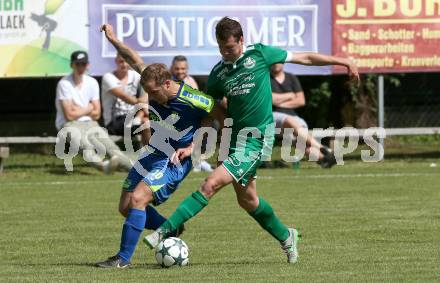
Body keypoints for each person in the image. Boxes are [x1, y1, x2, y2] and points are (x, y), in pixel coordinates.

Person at [144, 17, 359, 263]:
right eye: (221, 48)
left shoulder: (260, 55)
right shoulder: (218, 74)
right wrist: (192, 143)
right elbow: (209, 112)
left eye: (230, 48)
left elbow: (305, 57)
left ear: (241, 41)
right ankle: (286, 235)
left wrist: (343, 61)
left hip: (257, 140)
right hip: (234, 139)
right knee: (247, 200)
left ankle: (163, 230)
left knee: (210, 184)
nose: (226, 53)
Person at [96, 24, 224, 268]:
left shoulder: (194, 98)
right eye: (147, 93)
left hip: (175, 159)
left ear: (167, 84)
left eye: (153, 93)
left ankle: (122, 259)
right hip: (154, 152)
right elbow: (133, 58)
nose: (150, 99)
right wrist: (113, 40)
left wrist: (194, 148)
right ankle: (172, 226)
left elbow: (219, 116)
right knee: (125, 206)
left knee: (138, 198)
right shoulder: (153, 80)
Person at [55, 51, 132, 173]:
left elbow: (97, 114)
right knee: (86, 146)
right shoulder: (64, 84)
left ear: (88, 65)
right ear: (71, 65)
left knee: (112, 148)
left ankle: (137, 171)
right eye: (77, 64)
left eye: (83, 64)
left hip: (91, 123)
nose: (81, 67)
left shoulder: (92, 82)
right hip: (69, 125)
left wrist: (78, 109)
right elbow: (69, 115)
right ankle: (104, 167)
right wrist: (88, 108)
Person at [270, 63, 336, 168]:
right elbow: (271, 99)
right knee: (289, 120)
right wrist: (290, 95)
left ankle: (325, 159)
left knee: (303, 145)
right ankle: (323, 148)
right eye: (273, 62)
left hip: (294, 118)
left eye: (278, 61)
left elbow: (301, 101)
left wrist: (280, 101)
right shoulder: (265, 78)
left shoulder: (291, 77)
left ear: (283, 62)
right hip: (272, 117)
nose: (275, 64)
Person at [170, 55, 213, 173]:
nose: (180, 71)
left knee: (207, 121)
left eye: (183, 69)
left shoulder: (191, 81)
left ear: (187, 69)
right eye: (177, 69)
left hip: (188, 117)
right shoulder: (168, 82)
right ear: (172, 68)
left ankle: (197, 159)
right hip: (171, 118)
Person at [101, 53, 150, 144]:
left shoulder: (135, 75)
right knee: (147, 122)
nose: (124, 64)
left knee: (148, 121)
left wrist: (143, 100)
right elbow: (125, 97)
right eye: (121, 62)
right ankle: (151, 155)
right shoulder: (108, 77)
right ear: (116, 61)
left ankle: (151, 155)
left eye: (127, 62)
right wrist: (143, 105)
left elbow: (149, 87)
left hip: (134, 116)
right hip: (115, 121)